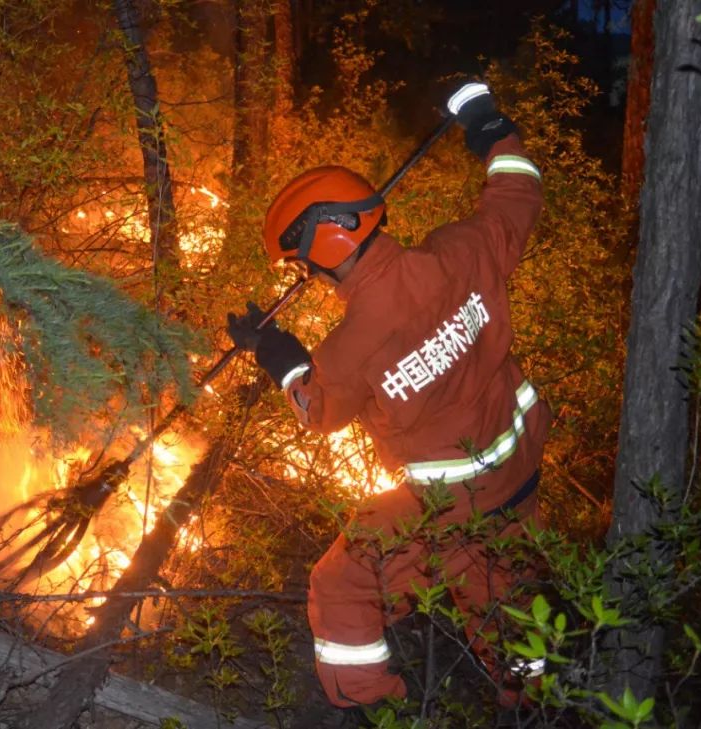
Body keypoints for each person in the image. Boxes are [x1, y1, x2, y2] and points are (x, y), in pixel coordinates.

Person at [227, 82, 550, 708]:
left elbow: (317, 411)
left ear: (323, 246)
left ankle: (376, 708)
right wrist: (489, 127)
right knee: (506, 606)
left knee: (341, 586)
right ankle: (536, 706)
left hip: (443, 513)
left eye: (302, 264)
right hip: (519, 474)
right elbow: (519, 192)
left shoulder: (353, 345)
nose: (306, 277)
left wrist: (279, 356)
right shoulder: (464, 251)